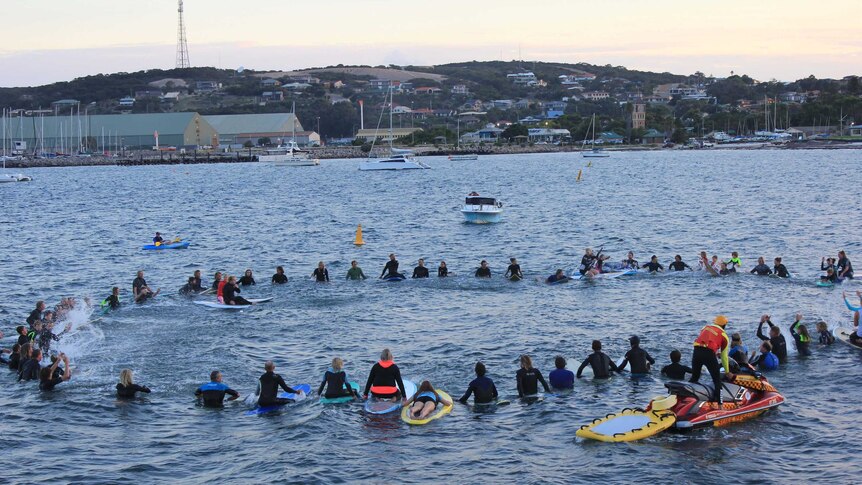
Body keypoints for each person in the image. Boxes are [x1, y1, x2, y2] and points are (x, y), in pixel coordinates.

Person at [689, 315, 735, 405]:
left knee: (694, 378)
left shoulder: (705, 327)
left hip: (696, 351)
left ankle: (687, 399)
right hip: (709, 354)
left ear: (715, 322)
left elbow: (705, 338)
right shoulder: (724, 335)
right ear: (725, 325)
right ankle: (720, 405)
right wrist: (727, 371)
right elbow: (724, 356)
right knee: (717, 381)